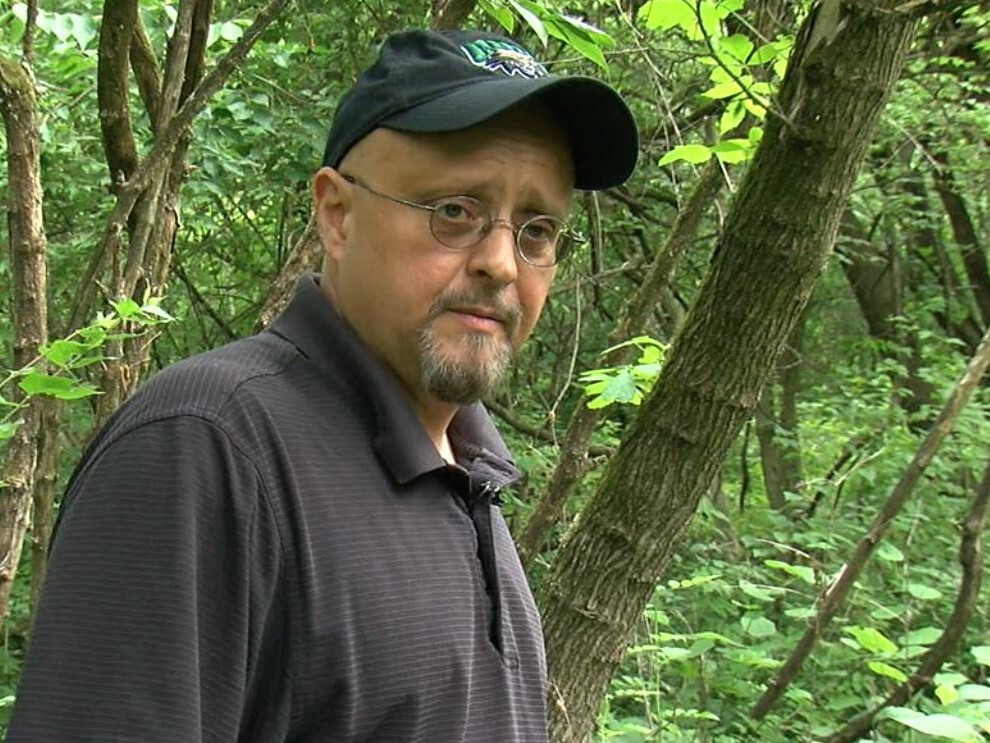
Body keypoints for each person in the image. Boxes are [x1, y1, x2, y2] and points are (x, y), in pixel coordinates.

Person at [9, 28, 637, 742]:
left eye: (537, 229)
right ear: (337, 214)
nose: (502, 261)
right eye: (455, 211)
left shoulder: (473, 481)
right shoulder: (207, 451)